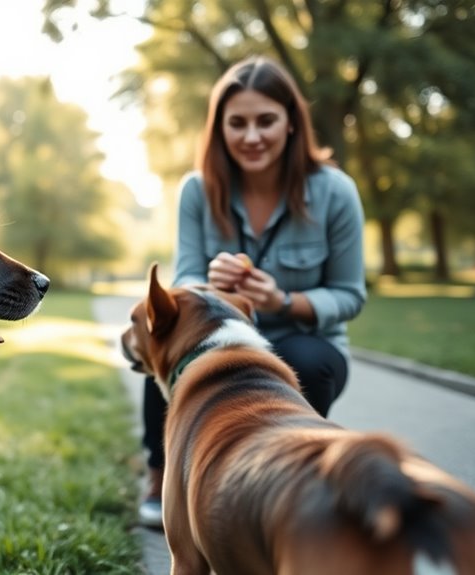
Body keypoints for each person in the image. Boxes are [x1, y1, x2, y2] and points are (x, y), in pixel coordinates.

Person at [138, 55, 367, 529]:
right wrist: (208, 286)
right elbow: (183, 283)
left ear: (290, 124)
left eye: (266, 120)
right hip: (221, 341)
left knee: (305, 361)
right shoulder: (199, 191)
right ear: (219, 128)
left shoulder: (335, 192)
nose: (252, 136)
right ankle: (161, 474)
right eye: (237, 123)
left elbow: (349, 295)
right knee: (165, 348)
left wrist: (281, 301)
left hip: (302, 341)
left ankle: (289, 469)